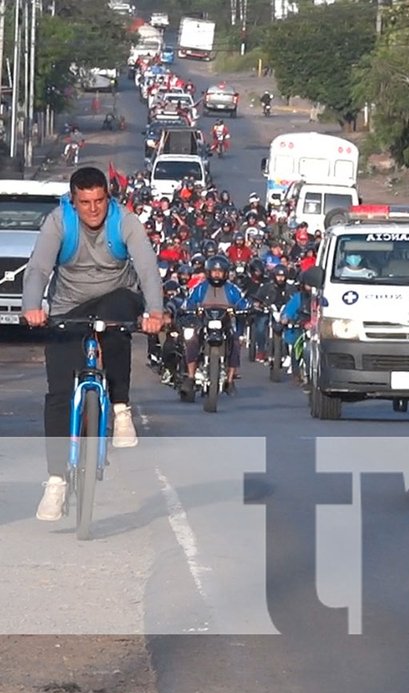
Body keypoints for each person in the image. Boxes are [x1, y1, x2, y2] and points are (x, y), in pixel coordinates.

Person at [19, 167, 164, 522]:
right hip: (69, 307)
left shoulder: (125, 221)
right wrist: (32, 308)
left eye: (99, 200)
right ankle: (55, 479)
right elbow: (38, 268)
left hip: (118, 296)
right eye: (85, 202)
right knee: (57, 392)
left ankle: (120, 407)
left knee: (114, 323)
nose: (93, 209)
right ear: (73, 201)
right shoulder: (59, 222)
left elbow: (146, 268)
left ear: (108, 198)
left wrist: (155, 312)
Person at [180, 255, 251, 395]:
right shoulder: (200, 288)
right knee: (192, 340)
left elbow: (243, 303)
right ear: (208, 272)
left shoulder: (232, 289)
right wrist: (190, 309)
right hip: (203, 322)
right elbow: (189, 302)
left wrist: (244, 309)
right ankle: (190, 377)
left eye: (220, 271)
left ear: (225, 273)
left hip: (225, 323)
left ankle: (230, 381)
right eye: (214, 271)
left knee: (236, 342)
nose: (217, 274)